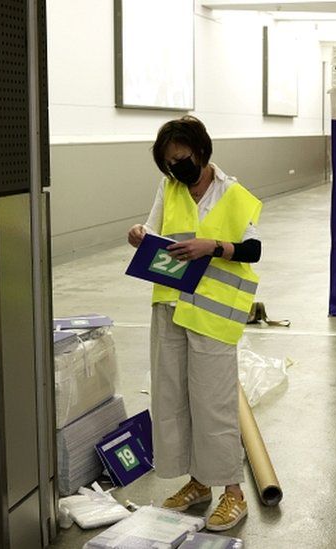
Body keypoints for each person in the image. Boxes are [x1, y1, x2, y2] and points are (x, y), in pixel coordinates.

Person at [127, 116, 262, 532]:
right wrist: (138, 234)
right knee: (174, 400)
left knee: (214, 406)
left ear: (201, 153)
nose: (176, 168)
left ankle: (233, 493)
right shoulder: (168, 188)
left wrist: (214, 247)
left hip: (212, 314)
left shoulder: (234, 193)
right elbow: (151, 229)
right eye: (169, 163)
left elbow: (253, 249)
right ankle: (198, 483)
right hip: (170, 307)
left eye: (181, 159)